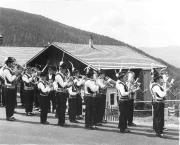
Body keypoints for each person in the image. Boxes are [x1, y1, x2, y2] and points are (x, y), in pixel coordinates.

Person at [150, 68, 169, 137]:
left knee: (157, 117)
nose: (161, 80)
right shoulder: (156, 86)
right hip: (158, 102)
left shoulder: (155, 85)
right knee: (159, 118)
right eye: (159, 78)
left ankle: (157, 129)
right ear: (157, 79)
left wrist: (165, 87)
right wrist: (166, 91)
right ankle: (159, 132)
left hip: (157, 102)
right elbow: (162, 95)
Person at [3, 57, 21, 121]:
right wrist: (16, 74)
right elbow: (10, 79)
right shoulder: (6, 70)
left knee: (12, 103)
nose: (13, 64)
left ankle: (11, 115)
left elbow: (15, 80)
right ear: (8, 63)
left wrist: (18, 74)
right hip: (8, 89)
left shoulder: (10, 69)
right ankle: (8, 116)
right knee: (9, 104)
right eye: (11, 62)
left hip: (12, 88)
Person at [53, 62, 71, 126]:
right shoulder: (58, 75)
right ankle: (61, 122)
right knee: (61, 108)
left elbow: (65, 85)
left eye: (65, 69)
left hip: (63, 93)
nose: (64, 70)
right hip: (60, 93)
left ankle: (62, 121)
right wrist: (68, 81)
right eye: (63, 69)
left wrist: (69, 84)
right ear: (60, 68)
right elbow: (63, 85)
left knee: (63, 108)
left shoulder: (63, 75)